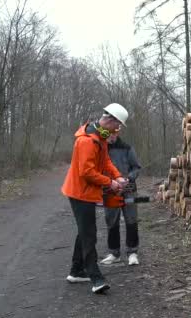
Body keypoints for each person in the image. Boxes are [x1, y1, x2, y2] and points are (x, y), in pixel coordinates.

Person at [61, 103, 129, 294]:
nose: (119, 129)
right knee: (89, 234)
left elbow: (106, 161)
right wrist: (110, 183)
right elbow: (87, 172)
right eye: (118, 125)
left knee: (84, 230)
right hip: (79, 192)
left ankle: (76, 271)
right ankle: (96, 278)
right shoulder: (87, 141)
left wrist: (118, 177)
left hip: (87, 192)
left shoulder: (102, 137)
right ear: (109, 120)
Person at [100, 132, 142, 266]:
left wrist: (129, 178)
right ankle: (114, 253)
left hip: (129, 191)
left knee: (131, 220)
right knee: (112, 221)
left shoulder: (127, 148)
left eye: (114, 134)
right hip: (109, 191)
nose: (111, 137)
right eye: (109, 134)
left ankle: (132, 252)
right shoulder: (101, 148)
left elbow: (136, 168)